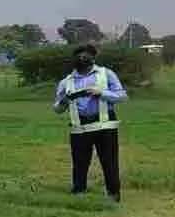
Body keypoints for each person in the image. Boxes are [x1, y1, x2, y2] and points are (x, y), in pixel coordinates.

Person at [53, 43, 128, 202]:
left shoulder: (106, 74)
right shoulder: (66, 82)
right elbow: (57, 109)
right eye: (79, 55)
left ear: (93, 58)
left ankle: (113, 195)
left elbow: (122, 96)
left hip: (105, 126)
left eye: (86, 55)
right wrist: (64, 101)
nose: (82, 58)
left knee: (109, 162)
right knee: (79, 163)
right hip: (79, 128)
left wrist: (101, 92)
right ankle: (79, 193)